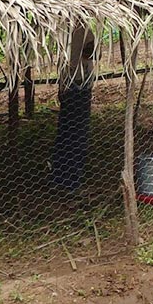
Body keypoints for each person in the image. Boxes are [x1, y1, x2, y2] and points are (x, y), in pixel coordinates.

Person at [50, 24, 96, 193]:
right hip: (80, 86)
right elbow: (90, 53)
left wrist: (61, 88)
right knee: (78, 136)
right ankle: (72, 181)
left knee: (65, 133)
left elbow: (65, 62)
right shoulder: (86, 31)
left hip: (69, 85)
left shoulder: (64, 32)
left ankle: (58, 177)